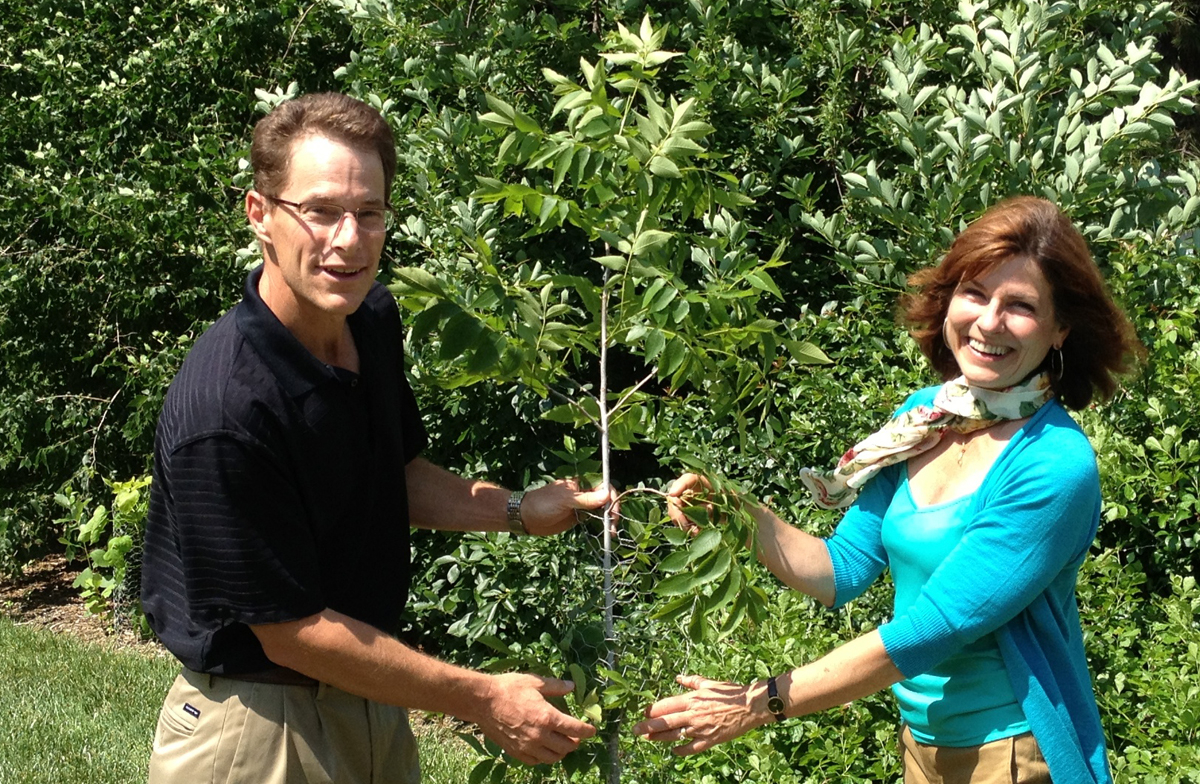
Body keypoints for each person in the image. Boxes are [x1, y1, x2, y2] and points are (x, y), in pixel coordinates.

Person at [140, 92, 614, 784]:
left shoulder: (368, 319)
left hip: (369, 698)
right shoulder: (227, 408)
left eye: (369, 214)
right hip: (258, 729)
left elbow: (390, 472)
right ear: (261, 214)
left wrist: (513, 509)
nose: (349, 239)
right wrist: (484, 697)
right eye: (322, 211)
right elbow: (291, 631)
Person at [633, 196, 1140, 783]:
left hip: (1010, 753)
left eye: (1020, 306)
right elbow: (838, 568)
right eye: (974, 293)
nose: (988, 321)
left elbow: (931, 630)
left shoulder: (1053, 465)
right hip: (922, 744)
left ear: (1060, 329)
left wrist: (759, 702)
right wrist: (733, 509)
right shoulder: (928, 417)